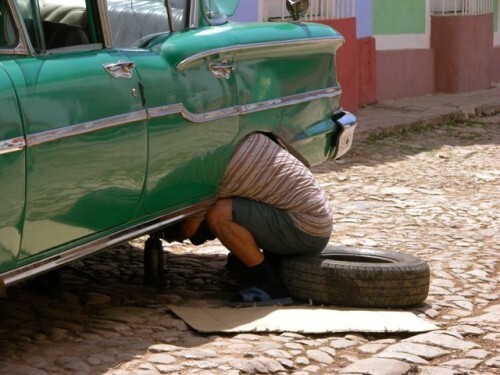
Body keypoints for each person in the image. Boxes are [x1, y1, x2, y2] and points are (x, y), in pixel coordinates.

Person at [164, 133, 333, 306]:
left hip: (305, 231)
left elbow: (188, 230)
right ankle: (249, 261)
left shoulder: (208, 170)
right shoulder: (241, 138)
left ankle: (269, 285)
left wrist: (169, 230)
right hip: (313, 223)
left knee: (217, 214)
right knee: (231, 203)